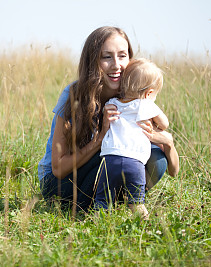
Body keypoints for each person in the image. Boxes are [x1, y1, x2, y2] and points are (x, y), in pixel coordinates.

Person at [37, 26, 179, 212]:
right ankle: (103, 204)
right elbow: (58, 169)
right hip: (61, 184)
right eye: (106, 57)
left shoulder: (135, 97)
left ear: (130, 59)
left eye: (122, 55)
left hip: (104, 172)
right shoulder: (74, 95)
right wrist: (101, 138)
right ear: (92, 61)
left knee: (156, 159)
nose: (116, 65)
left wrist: (168, 142)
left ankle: (120, 202)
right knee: (114, 155)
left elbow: (173, 171)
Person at [94, 58, 169, 219]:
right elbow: (164, 124)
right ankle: (144, 226)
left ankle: (96, 226)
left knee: (102, 200)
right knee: (136, 202)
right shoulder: (146, 105)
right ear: (149, 93)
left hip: (110, 160)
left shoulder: (112, 103)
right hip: (134, 162)